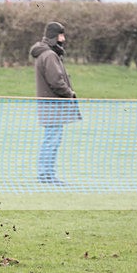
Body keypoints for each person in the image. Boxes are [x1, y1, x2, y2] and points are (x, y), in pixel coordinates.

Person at [30, 22, 81, 186]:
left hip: (49, 106)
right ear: (54, 36)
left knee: (51, 140)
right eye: (61, 35)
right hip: (53, 106)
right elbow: (56, 82)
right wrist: (70, 93)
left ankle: (47, 175)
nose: (63, 39)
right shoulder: (50, 55)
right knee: (51, 141)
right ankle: (46, 176)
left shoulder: (45, 54)